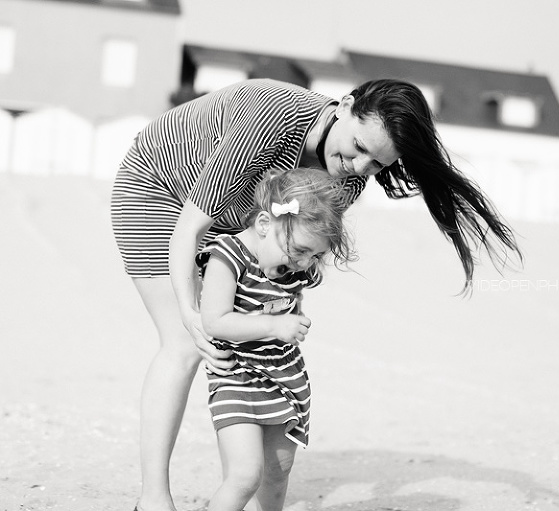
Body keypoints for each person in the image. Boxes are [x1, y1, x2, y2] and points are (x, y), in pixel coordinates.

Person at [110, 77, 521, 511]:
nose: (359, 167)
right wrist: (189, 310)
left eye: (377, 165)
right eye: (360, 147)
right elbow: (189, 228)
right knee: (183, 342)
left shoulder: (348, 179)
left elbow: (295, 251)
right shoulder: (270, 113)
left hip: (242, 217)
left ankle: (243, 479)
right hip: (159, 188)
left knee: (247, 340)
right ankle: (152, 498)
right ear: (345, 105)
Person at [196, 167, 354, 511]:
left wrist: (292, 321)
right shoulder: (226, 256)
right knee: (245, 475)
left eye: (315, 255)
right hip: (235, 379)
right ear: (265, 224)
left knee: (278, 471)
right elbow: (215, 321)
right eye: (299, 250)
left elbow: (290, 307)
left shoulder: (294, 268)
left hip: (285, 379)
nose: (303, 263)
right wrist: (273, 327)